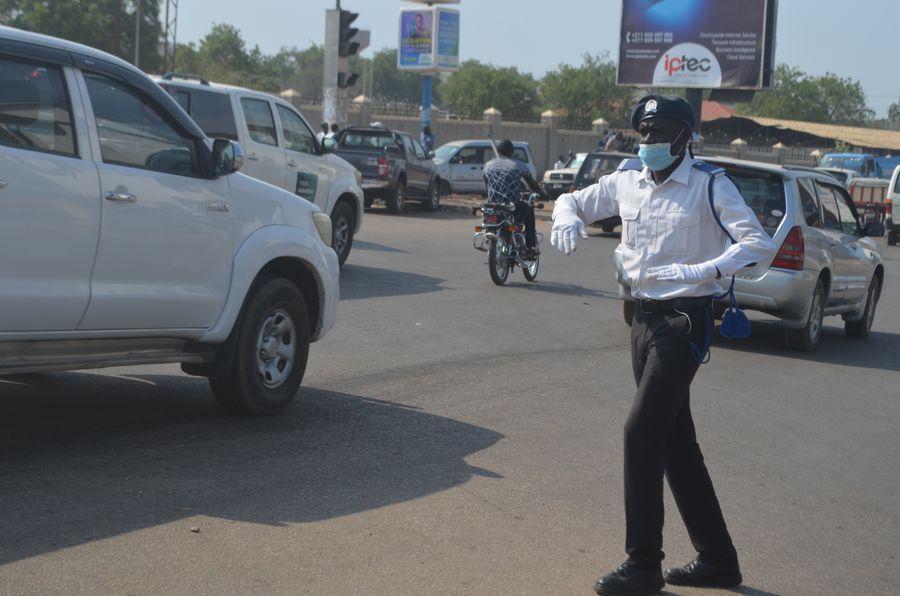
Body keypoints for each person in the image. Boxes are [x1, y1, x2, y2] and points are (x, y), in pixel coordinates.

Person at [550, 95, 777, 596]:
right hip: (641, 318)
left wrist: (704, 269)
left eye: (660, 131)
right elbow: (573, 200)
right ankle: (718, 559)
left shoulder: (709, 185)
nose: (649, 140)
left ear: (684, 136)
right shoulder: (628, 181)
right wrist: (565, 217)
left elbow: (758, 245)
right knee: (675, 443)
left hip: (683, 322)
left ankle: (643, 565)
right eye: (645, 131)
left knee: (641, 434)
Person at [484, 139, 547, 259]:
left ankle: (490, 232)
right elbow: (532, 185)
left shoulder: (488, 165)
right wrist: (544, 195)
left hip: (491, 206)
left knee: (489, 222)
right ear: (512, 152)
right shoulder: (519, 165)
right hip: (511, 206)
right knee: (529, 210)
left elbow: (487, 187)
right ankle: (530, 248)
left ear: (498, 151)